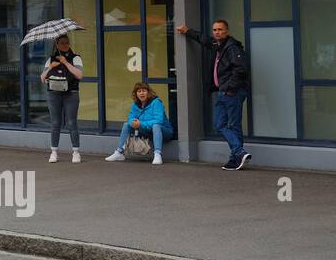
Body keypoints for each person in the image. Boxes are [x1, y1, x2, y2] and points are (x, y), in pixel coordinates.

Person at [177, 19, 251, 171]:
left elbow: (241, 70)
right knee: (224, 125)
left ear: (227, 31)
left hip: (232, 92)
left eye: (220, 29)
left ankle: (238, 153)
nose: (217, 32)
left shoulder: (232, 48)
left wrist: (229, 88)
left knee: (227, 125)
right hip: (225, 92)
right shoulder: (218, 45)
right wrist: (187, 31)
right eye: (215, 30)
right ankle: (236, 157)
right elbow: (204, 40)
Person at [40, 33, 85, 162]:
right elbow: (42, 78)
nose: (64, 45)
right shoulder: (51, 59)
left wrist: (65, 63)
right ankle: (54, 152)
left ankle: (76, 152)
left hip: (71, 93)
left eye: (66, 43)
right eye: (61, 43)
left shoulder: (76, 58)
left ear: (69, 44)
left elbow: (79, 75)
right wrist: (50, 68)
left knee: (71, 123)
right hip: (54, 94)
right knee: (55, 123)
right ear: (57, 45)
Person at [106, 82, 171, 165]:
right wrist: (132, 123)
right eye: (139, 91)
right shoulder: (135, 105)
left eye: (144, 91)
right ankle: (119, 153)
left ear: (148, 92)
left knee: (156, 126)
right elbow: (130, 118)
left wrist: (141, 124)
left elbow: (158, 120)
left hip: (163, 131)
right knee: (126, 125)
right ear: (136, 94)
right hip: (146, 131)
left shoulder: (156, 102)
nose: (141, 93)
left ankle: (158, 154)